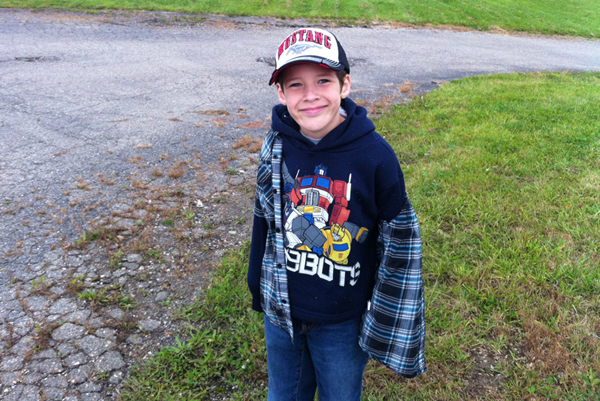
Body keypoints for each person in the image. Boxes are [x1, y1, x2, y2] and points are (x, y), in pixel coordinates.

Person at [247, 27, 426, 401]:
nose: (310, 95)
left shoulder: (376, 157)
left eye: (323, 80)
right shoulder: (275, 144)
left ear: (345, 85)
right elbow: (264, 217)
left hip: (343, 319)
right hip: (282, 312)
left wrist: (389, 316)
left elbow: (400, 245)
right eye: (295, 84)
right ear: (280, 93)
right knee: (283, 393)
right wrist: (257, 286)